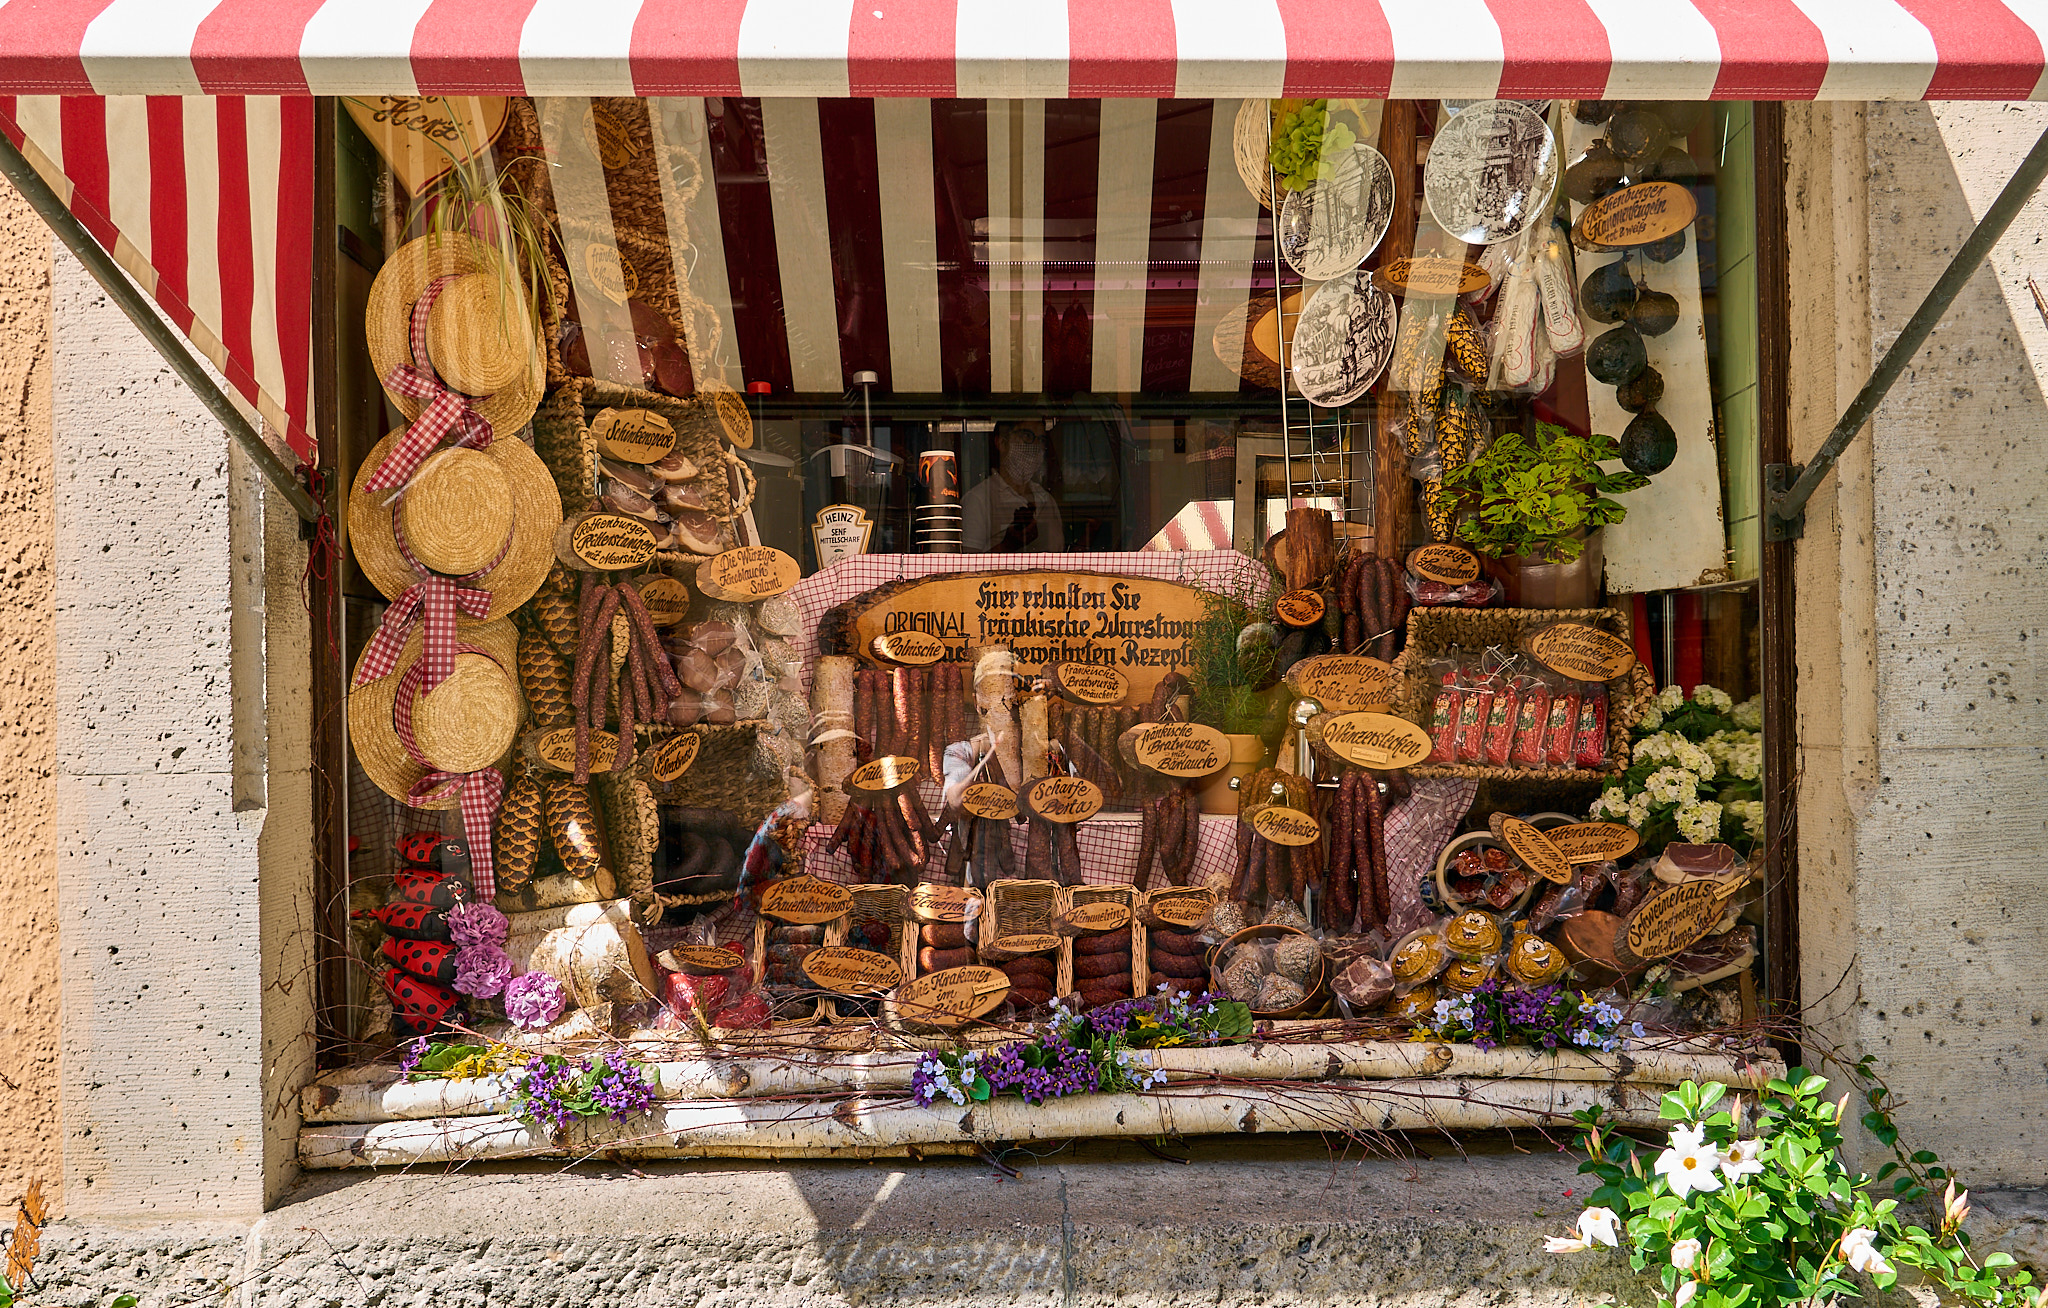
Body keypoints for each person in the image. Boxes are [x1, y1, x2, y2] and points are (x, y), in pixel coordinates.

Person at [961, 422, 1064, 553]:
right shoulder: (978, 500)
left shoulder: (1046, 500)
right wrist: (1008, 545)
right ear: (1002, 443)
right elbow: (969, 563)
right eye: (1027, 436)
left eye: (1041, 440)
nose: (1036, 445)